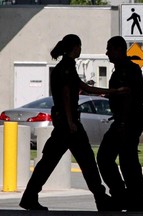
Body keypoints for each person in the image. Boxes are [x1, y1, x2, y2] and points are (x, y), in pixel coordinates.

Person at [19, 34, 124, 211]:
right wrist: (70, 122)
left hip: (63, 123)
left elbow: (85, 87)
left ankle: (29, 196)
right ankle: (100, 198)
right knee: (86, 161)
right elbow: (67, 95)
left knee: (50, 162)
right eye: (79, 46)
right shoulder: (66, 68)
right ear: (75, 48)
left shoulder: (65, 67)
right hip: (69, 125)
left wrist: (112, 91)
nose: (80, 50)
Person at [97, 36, 143, 212]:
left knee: (120, 160)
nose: (107, 53)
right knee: (124, 160)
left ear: (119, 50)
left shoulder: (127, 71)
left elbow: (128, 98)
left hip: (127, 122)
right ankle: (128, 197)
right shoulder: (123, 69)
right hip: (125, 121)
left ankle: (130, 197)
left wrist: (124, 123)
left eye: (109, 49)